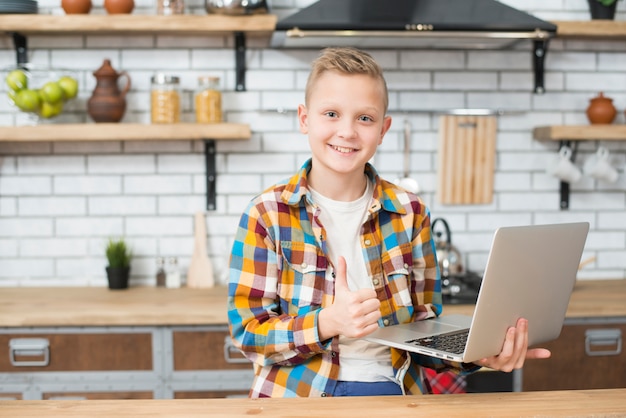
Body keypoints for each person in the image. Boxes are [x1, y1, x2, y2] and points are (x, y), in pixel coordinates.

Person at [227, 46, 550, 398]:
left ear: (383, 128)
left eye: (365, 118)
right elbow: (248, 334)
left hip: (394, 390)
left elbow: (424, 329)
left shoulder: (410, 212)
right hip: (299, 397)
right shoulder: (268, 213)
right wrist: (327, 322)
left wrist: (479, 354)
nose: (347, 131)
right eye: (331, 113)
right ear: (305, 118)